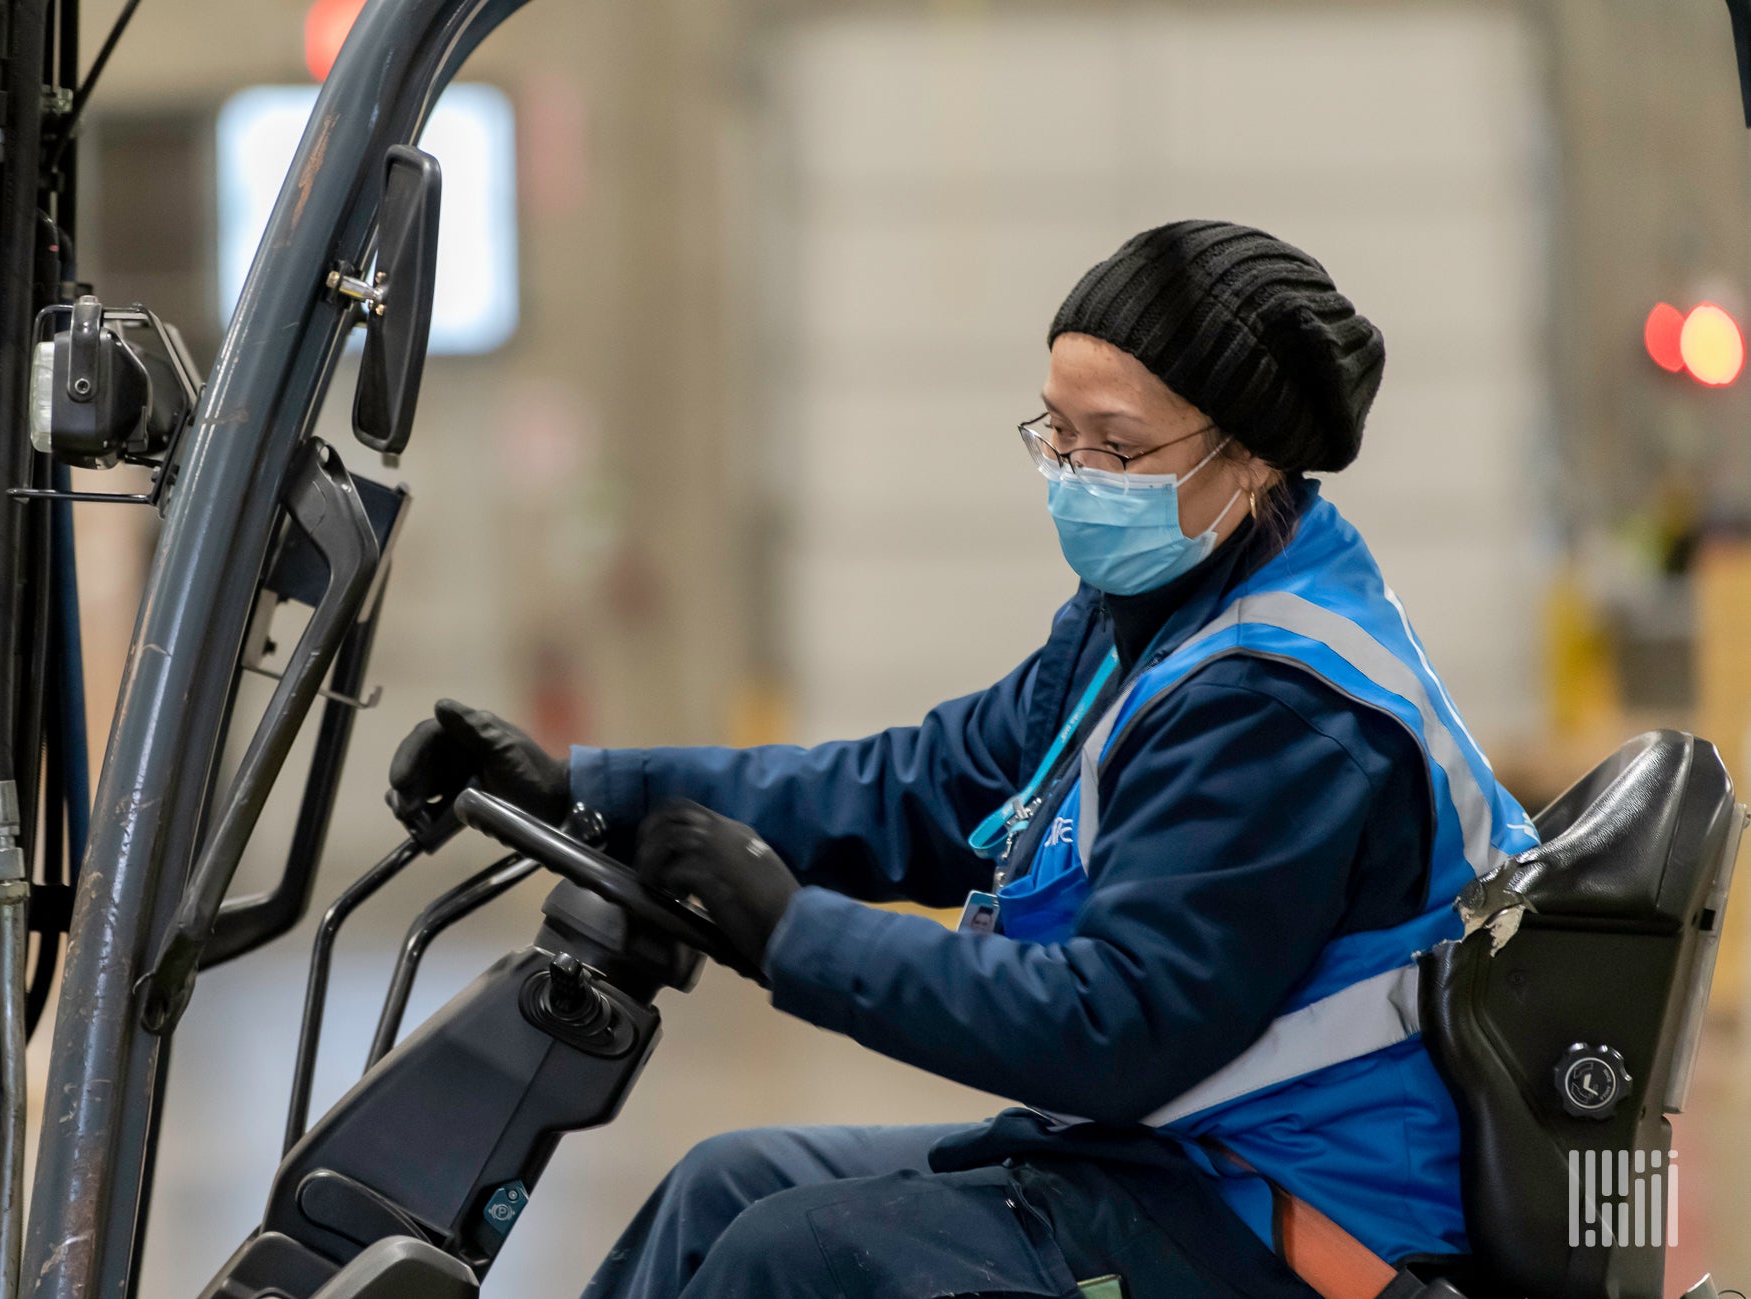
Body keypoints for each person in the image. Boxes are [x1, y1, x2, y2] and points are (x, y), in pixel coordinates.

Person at [391, 220, 1536, 1299]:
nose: (1075, 473)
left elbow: (1112, 1029)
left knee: (793, 1261)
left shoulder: (1278, 708)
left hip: (1282, 1220)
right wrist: (592, 791)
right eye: (1058, 433)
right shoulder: (1139, 620)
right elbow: (929, 787)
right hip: (1174, 1160)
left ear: (1250, 461)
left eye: (1119, 447)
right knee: (723, 1185)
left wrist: (794, 933)